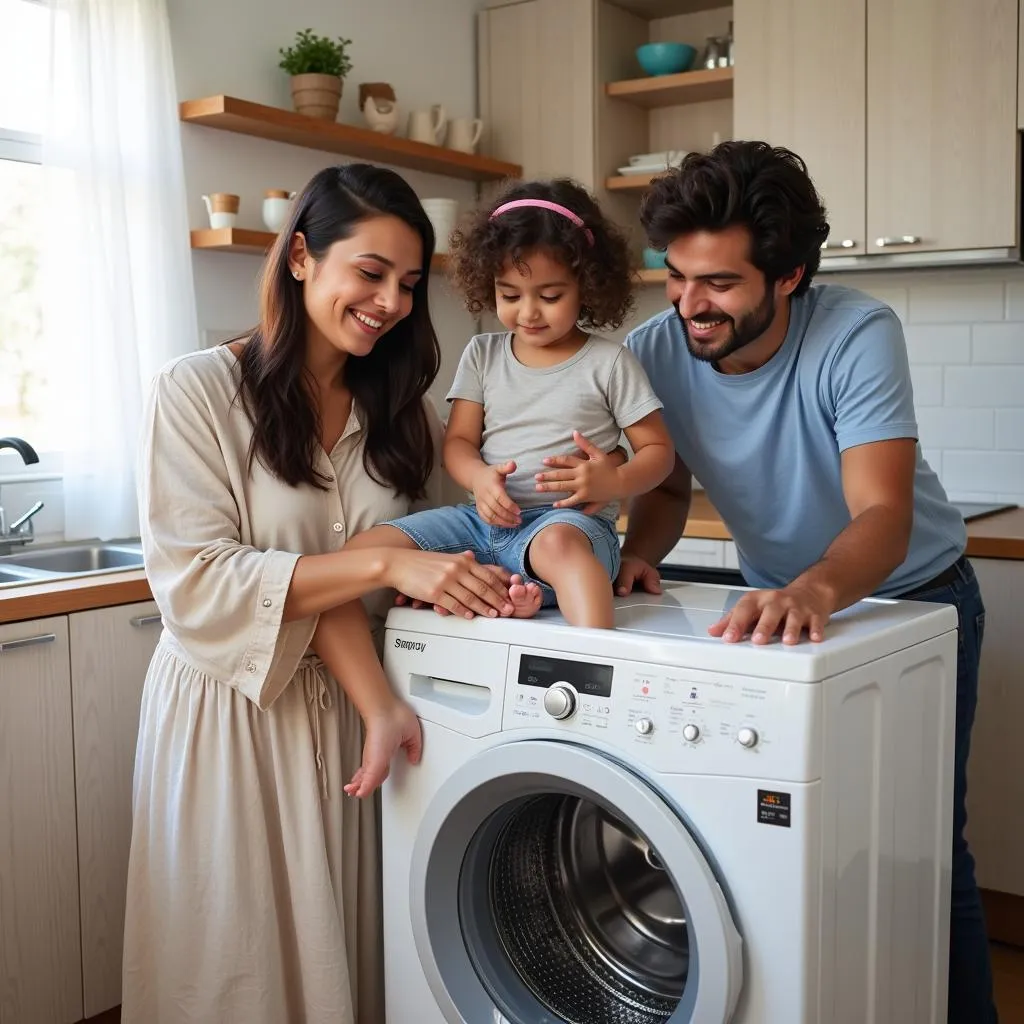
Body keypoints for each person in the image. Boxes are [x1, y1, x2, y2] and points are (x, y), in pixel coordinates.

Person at [122, 163, 517, 1024]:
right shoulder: (195, 392)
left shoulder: (397, 412)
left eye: (409, 284)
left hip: (359, 707)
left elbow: (433, 545)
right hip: (232, 714)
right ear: (301, 256)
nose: (391, 302)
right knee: (234, 967)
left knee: (352, 957)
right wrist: (383, 567)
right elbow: (196, 579)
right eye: (370, 273)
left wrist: (515, 562)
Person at [612, 140, 996, 1023]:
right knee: (778, 843)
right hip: (777, 613)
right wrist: (642, 551)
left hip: (914, 601)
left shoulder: (857, 333)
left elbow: (882, 517)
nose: (689, 304)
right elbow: (667, 483)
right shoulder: (656, 349)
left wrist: (812, 591)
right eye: (676, 276)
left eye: (718, 284)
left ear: (787, 278)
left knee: (925, 853)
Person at [319, 177, 673, 655]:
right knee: (370, 548)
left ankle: (594, 665)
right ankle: (510, 593)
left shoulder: (609, 363)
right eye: (510, 295)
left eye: (549, 297)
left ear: (587, 286)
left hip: (570, 529)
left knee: (556, 549)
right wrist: (481, 480)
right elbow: (459, 444)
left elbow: (658, 452)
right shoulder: (483, 355)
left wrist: (614, 482)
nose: (528, 312)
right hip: (483, 526)